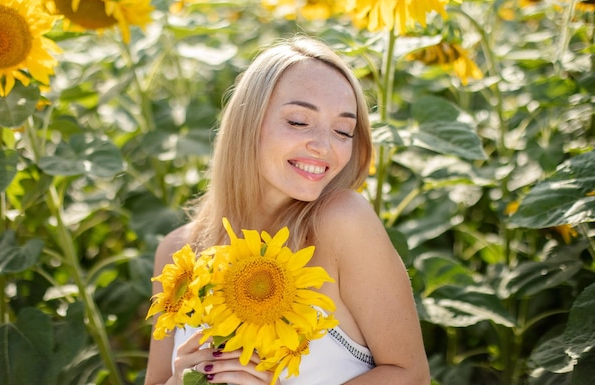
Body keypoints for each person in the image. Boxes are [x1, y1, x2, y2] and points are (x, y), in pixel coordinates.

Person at [144, 36, 430, 385]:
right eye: (298, 121)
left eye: (343, 130)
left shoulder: (343, 222)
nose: (324, 146)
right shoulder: (177, 253)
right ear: (246, 122)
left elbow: (411, 376)